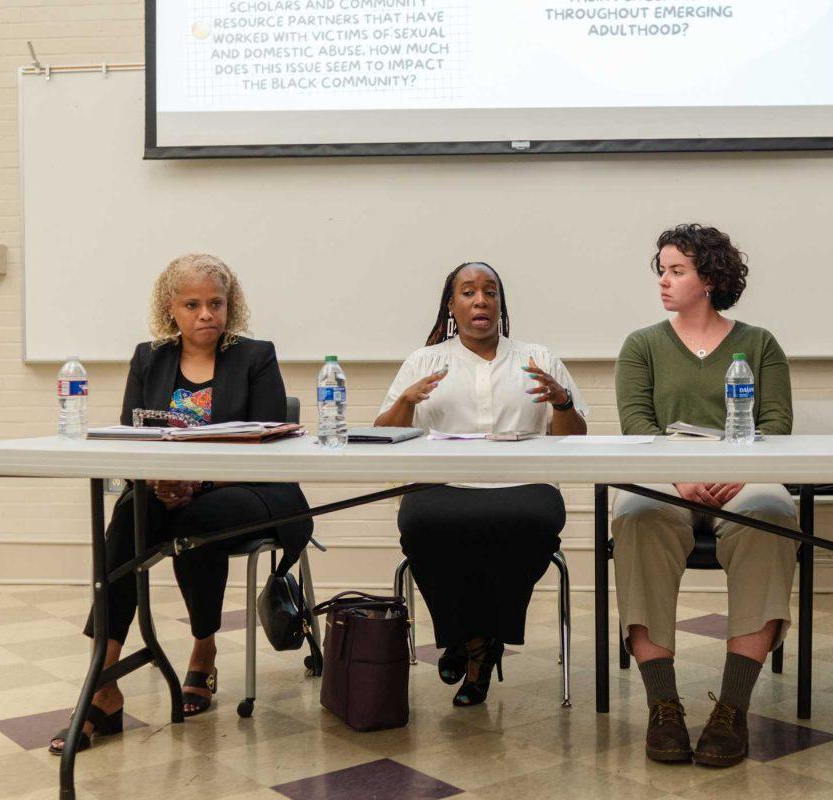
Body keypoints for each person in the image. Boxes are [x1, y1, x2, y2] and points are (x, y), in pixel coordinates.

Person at [50, 254, 312, 753]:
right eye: (192, 304)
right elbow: (132, 438)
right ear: (171, 308)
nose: (205, 314)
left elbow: (269, 442)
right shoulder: (149, 357)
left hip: (251, 492)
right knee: (128, 516)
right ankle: (103, 683)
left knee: (194, 518)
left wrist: (197, 484)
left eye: (216, 303)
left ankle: (204, 650)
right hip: (165, 490)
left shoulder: (256, 356)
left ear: (229, 305)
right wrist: (158, 481)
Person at [612, 224, 798, 767]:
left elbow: (777, 424)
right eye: (662, 271)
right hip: (667, 478)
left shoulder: (759, 343)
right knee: (639, 515)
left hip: (744, 477)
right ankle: (663, 705)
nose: (664, 282)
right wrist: (679, 477)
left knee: (771, 513)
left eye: (677, 271)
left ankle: (731, 710)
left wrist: (738, 474)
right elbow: (637, 426)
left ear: (711, 278)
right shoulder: (642, 344)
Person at [375, 261, 587, 707]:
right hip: (441, 486)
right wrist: (407, 400)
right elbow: (383, 433)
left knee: (529, 524)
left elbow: (574, 440)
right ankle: (474, 642)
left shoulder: (538, 359)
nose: (481, 300)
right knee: (422, 523)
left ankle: (474, 640)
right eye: (468, 292)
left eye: (490, 292)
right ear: (452, 306)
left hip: (524, 486)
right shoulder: (424, 360)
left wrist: (562, 401)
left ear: (500, 303)